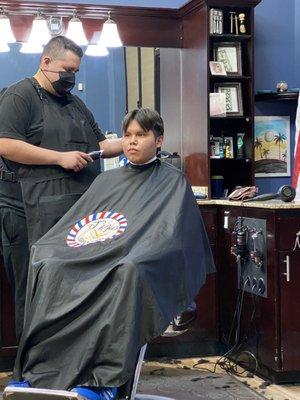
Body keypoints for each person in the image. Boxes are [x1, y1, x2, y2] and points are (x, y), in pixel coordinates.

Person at [10, 107, 215, 400]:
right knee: (48, 262)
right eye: (127, 135)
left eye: (141, 135)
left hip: (133, 262)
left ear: (158, 140)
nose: (132, 141)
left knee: (128, 269)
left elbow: (169, 239)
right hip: (99, 255)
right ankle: (38, 374)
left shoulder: (173, 181)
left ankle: (104, 382)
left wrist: (130, 252)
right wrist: (50, 248)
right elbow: (83, 226)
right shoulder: (107, 181)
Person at [0, 36, 123, 339]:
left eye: (76, 72)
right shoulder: (20, 96)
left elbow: (102, 145)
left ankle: (69, 364)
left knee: (70, 291)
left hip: (71, 214)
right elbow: (5, 144)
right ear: (45, 62)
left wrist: (132, 143)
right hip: (27, 213)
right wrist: (60, 158)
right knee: (35, 289)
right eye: (67, 70)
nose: (71, 77)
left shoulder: (75, 103)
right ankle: (33, 371)